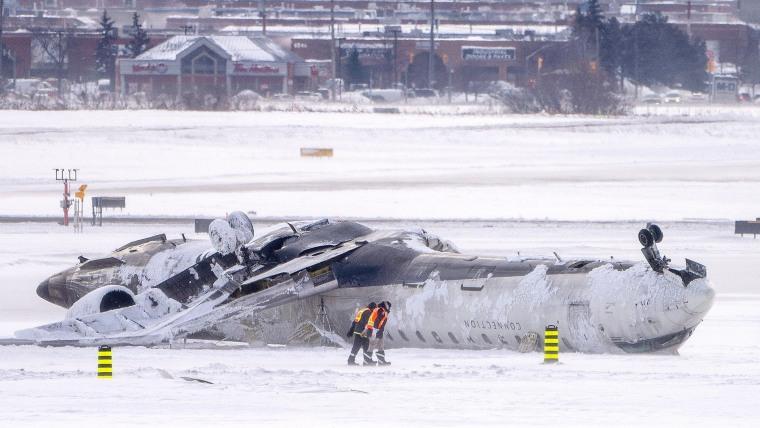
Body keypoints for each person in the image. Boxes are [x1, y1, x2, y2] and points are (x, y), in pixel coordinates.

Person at [347, 302, 376, 366]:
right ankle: (351, 361)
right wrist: (369, 333)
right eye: (375, 309)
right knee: (357, 347)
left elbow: (355, 321)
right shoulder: (368, 313)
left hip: (359, 331)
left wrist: (351, 330)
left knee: (365, 346)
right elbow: (369, 324)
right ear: (373, 308)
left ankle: (367, 361)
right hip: (363, 332)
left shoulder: (362, 310)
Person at [365, 301, 392, 365]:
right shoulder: (380, 310)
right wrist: (375, 331)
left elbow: (381, 322)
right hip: (374, 331)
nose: (390, 308)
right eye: (389, 307)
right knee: (372, 345)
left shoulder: (381, 310)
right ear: (387, 306)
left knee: (381, 345)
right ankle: (367, 361)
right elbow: (376, 321)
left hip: (378, 331)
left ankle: (381, 361)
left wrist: (380, 331)